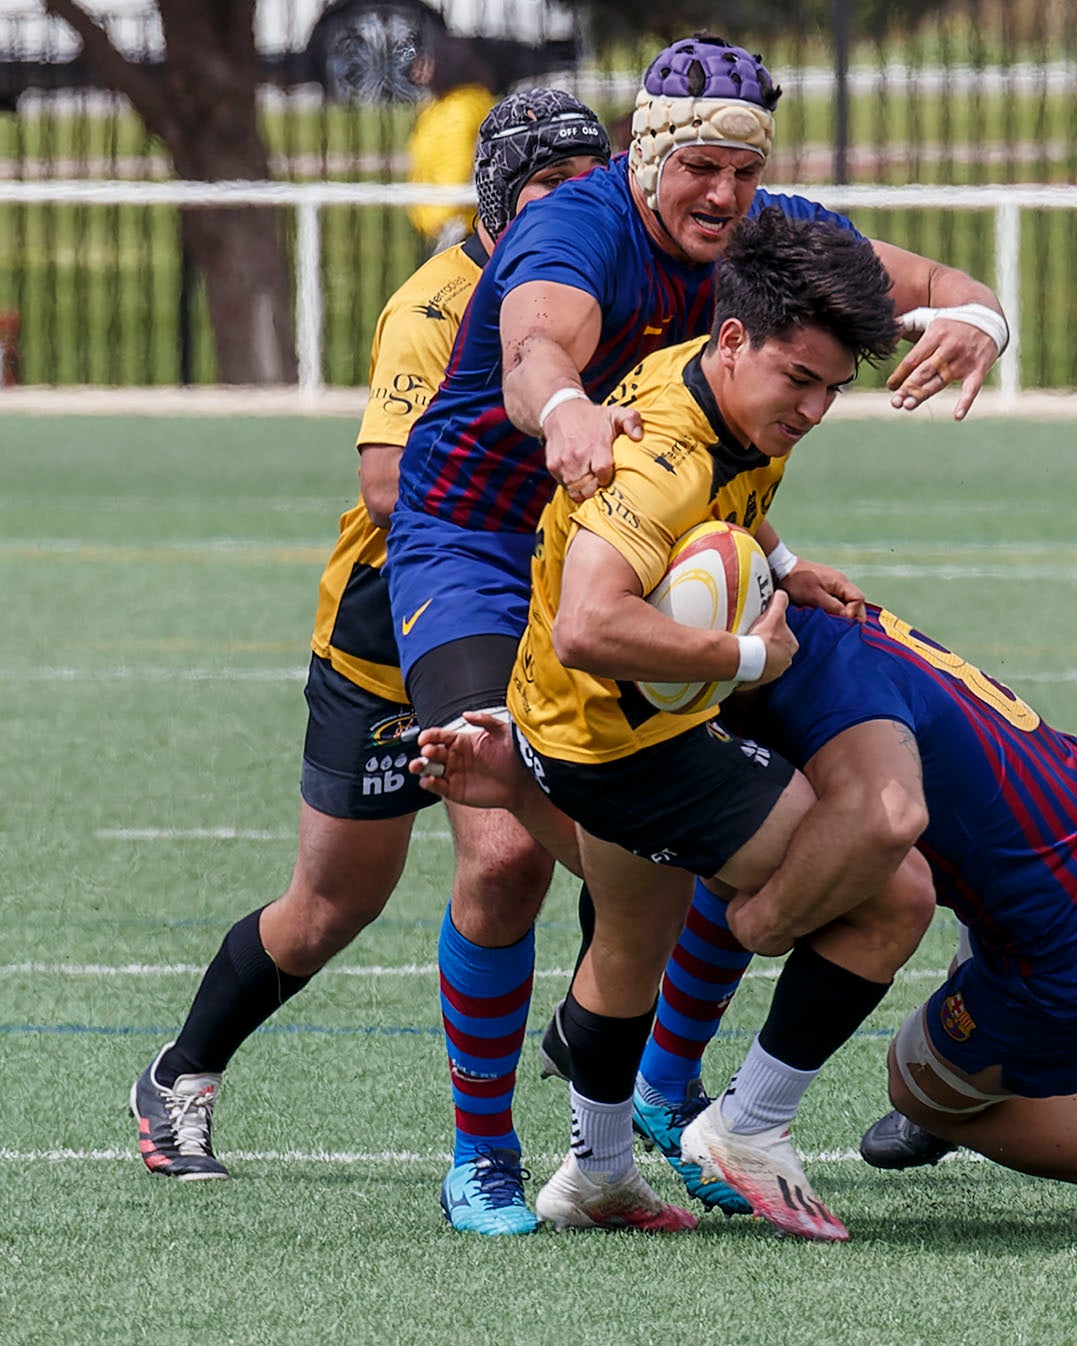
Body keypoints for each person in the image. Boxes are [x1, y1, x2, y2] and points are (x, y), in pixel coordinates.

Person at [386, 32, 1006, 1235]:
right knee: (505, 853)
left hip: (662, 545)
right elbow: (533, 348)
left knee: (698, 841)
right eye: (699, 168)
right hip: (482, 541)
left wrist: (983, 318)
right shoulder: (577, 228)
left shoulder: (765, 239)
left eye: (743, 169)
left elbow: (928, 284)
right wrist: (565, 408)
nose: (722, 194)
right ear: (643, 155)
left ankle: (660, 1097)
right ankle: (482, 1152)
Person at [425, 597, 1077, 1232]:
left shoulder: (803, 704)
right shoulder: (809, 623)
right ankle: (677, 1090)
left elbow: (853, 837)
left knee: (916, 1073)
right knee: (755, 859)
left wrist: (762, 922)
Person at [127, 92, 611, 1211]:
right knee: (331, 904)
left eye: (590, 185)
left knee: (543, 847)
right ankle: (180, 1071)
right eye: (550, 185)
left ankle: (546, 1108)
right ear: (499, 196)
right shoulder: (437, 301)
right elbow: (389, 484)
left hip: (543, 612)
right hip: (393, 625)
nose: (573, 206)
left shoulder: (603, 289)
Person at [405, 38, 501, 251]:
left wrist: (436, 218)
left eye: (428, 62)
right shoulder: (448, 104)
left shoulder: (458, 110)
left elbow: (455, 167)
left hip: (458, 228)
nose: (419, 68)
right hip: (463, 223)